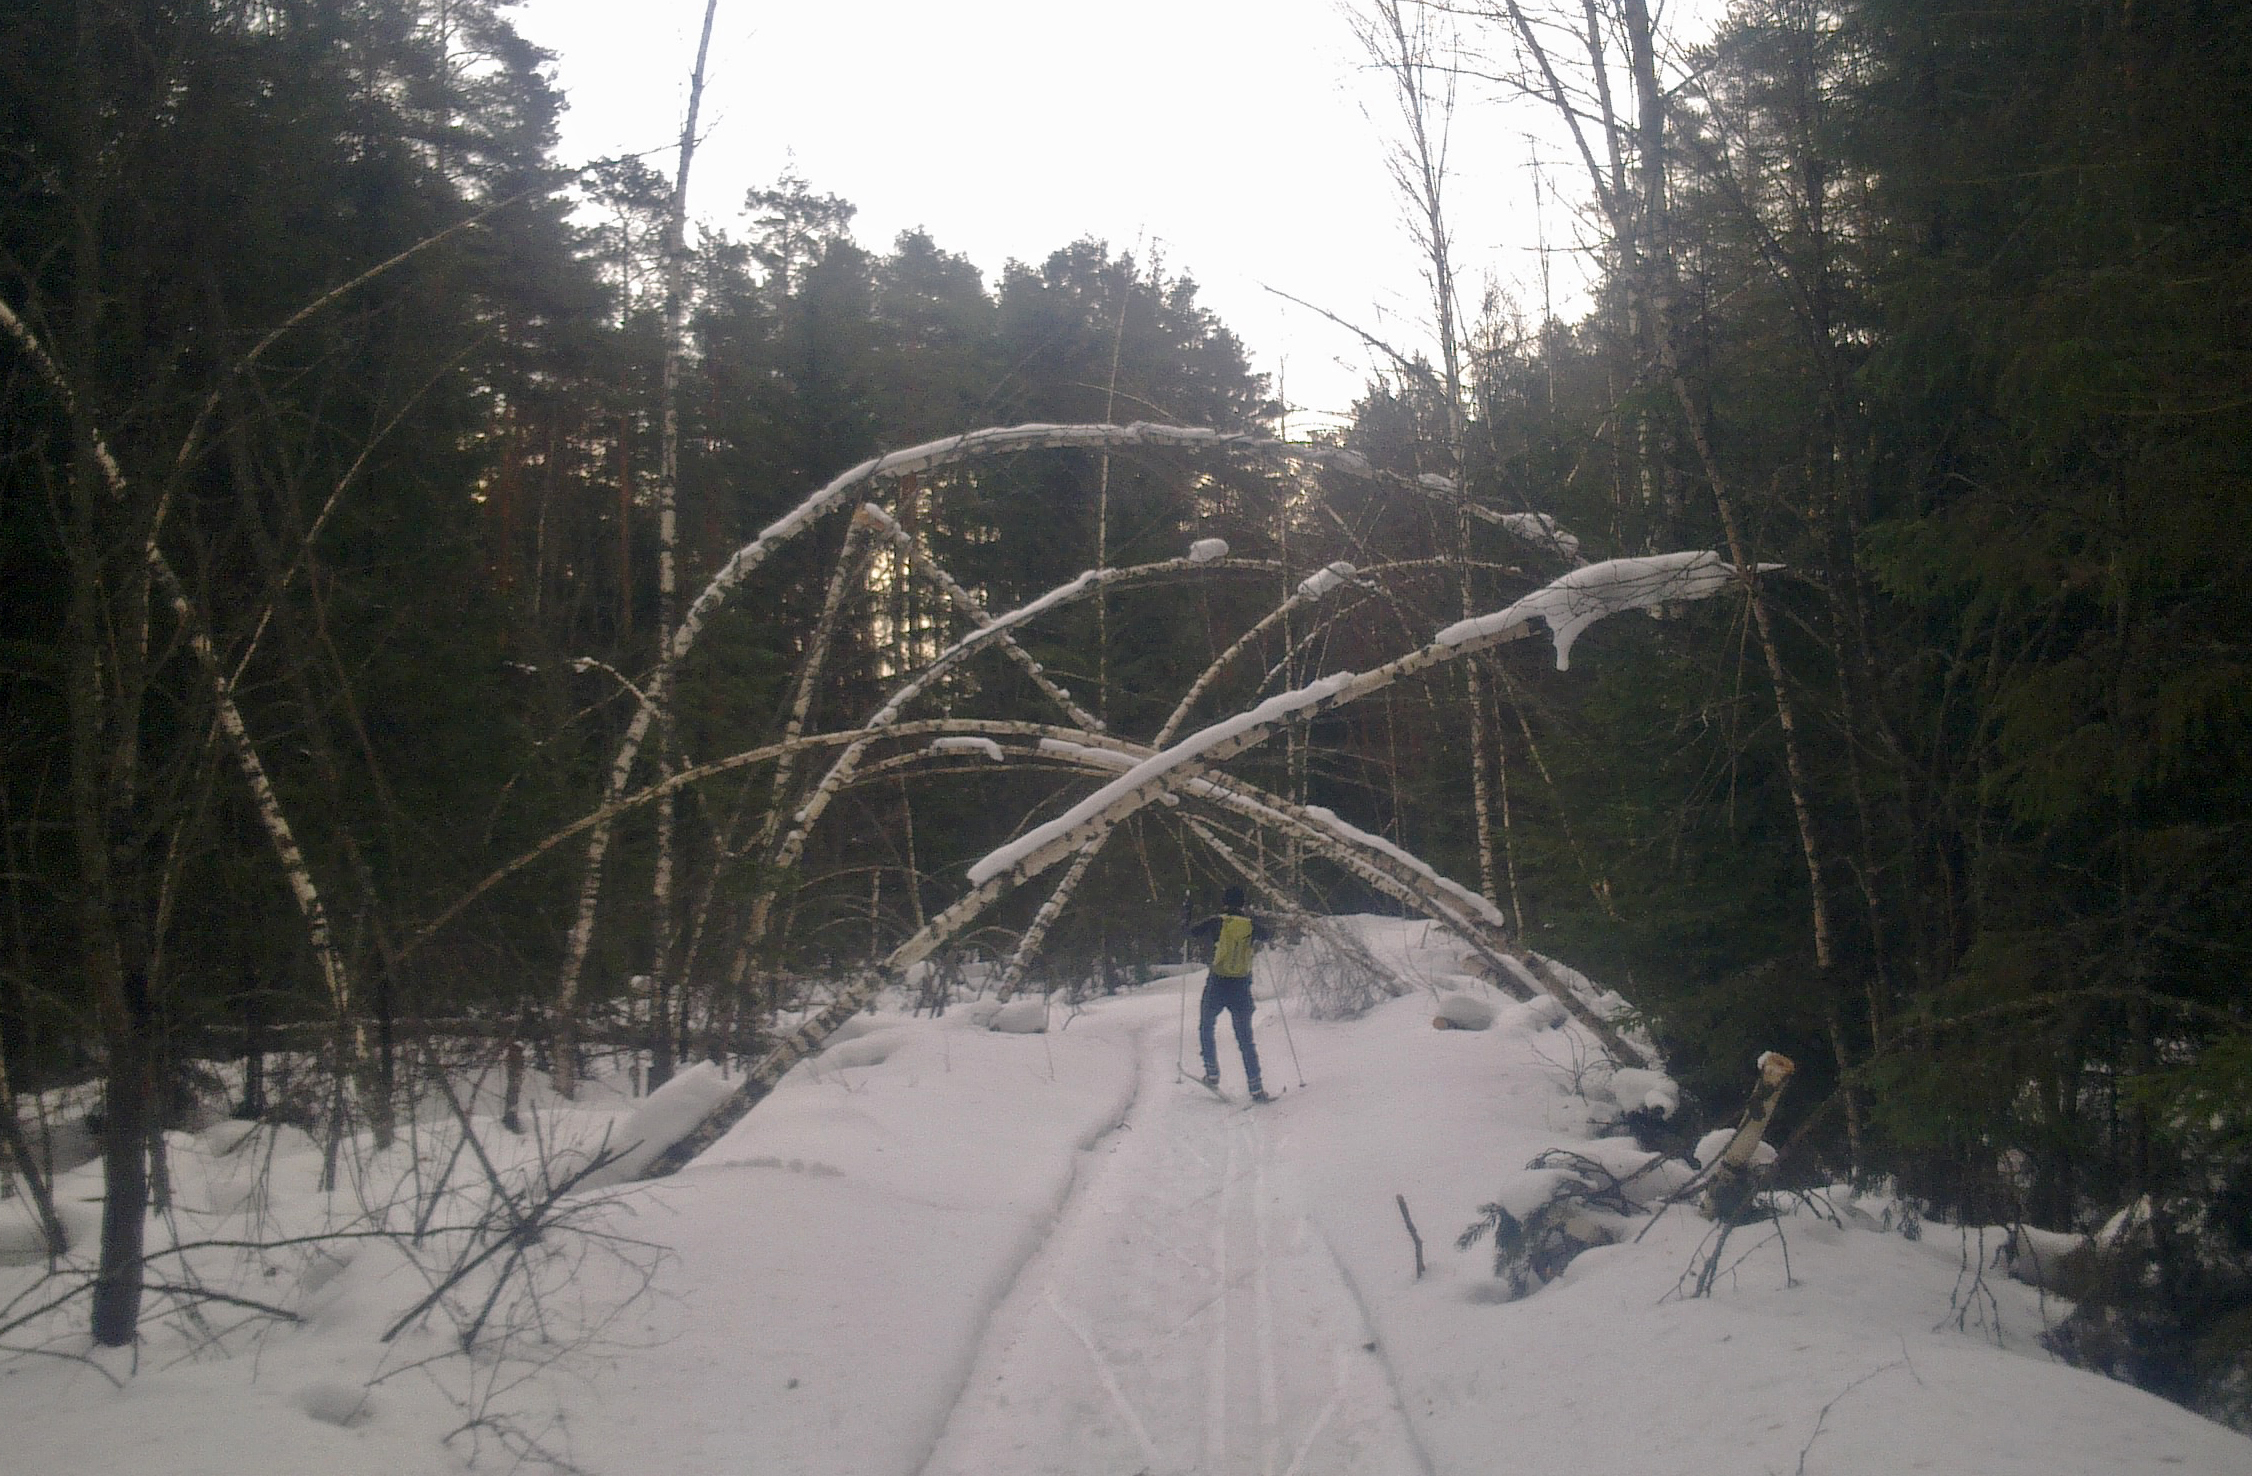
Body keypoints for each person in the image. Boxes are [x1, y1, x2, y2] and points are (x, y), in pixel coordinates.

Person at [1187, 886, 1272, 1101]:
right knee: (1245, 1038)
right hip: (1241, 986)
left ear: (1224, 902)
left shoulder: (1217, 921)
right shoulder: (1250, 925)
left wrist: (1187, 912)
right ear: (1242, 903)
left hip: (1217, 983)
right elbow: (1268, 934)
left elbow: (1191, 932)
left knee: (1207, 1025)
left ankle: (1212, 1073)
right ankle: (1256, 1087)